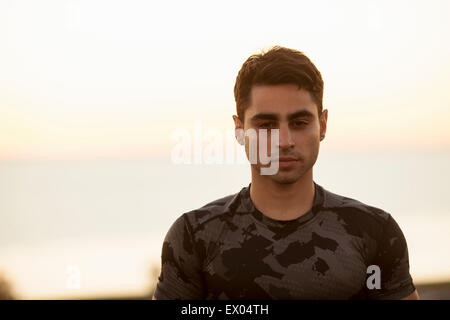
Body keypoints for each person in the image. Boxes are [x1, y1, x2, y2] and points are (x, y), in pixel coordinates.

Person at [152, 46, 419, 300]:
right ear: (239, 130)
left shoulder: (375, 233)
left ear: (323, 125)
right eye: (266, 124)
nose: (284, 140)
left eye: (299, 122)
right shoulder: (194, 238)